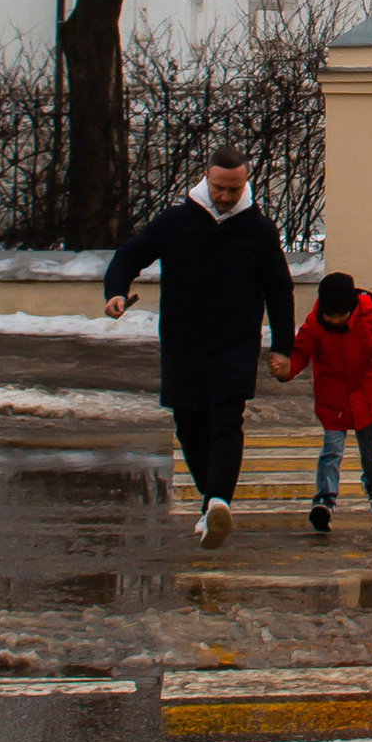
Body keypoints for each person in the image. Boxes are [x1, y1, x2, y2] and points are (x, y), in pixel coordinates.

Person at [103, 141, 296, 549]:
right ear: (206, 179)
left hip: (235, 342)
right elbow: (129, 254)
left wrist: (283, 346)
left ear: (246, 184)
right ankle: (212, 503)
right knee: (189, 424)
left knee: (226, 419)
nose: (225, 197)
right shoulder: (176, 221)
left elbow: (279, 289)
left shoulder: (259, 229)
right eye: (219, 188)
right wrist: (117, 291)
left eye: (234, 190)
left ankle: (220, 500)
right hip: (182, 342)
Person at [283, 268, 372, 534]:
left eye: (341, 315)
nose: (336, 320)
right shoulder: (314, 325)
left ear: (351, 309)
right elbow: (300, 353)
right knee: (331, 451)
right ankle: (324, 502)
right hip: (333, 400)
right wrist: (286, 369)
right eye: (331, 315)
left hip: (367, 396)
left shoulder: (367, 313)